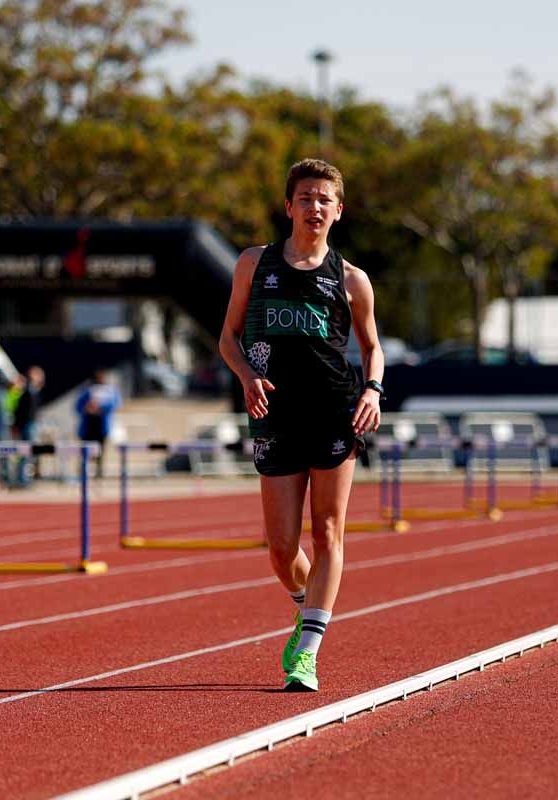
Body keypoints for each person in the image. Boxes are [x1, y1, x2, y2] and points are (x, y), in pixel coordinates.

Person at [219, 158, 384, 692]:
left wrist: (373, 390)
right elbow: (229, 338)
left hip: (335, 411)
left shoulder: (353, 280)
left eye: (324, 200)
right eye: (305, 198)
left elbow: (372, 348)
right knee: (281, 548)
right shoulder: (253, 263)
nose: (314, 207)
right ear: (289, 206)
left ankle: (307, 651)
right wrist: (245, 375)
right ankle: (306, 607)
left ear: (338, 211)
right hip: (274, 414)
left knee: (329, 531)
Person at [75, 370, 121, 478]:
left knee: (100, 449)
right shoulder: (87, 390)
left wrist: (100, 408)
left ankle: (98, 471)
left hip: (101, 425)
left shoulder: (110, 390)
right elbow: (78, 406)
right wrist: (87, 407)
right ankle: (83, 470)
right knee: (86, 449)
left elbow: (115, 404)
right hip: (89, 425)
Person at [12, 366, 46, 486]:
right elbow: (20, 410)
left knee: (27, 454)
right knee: (24, 453)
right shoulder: (26, 391)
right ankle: (21, 479)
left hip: (30, 424)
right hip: (27, 425)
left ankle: (23, 478)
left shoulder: (33, 391)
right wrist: (17, 425)